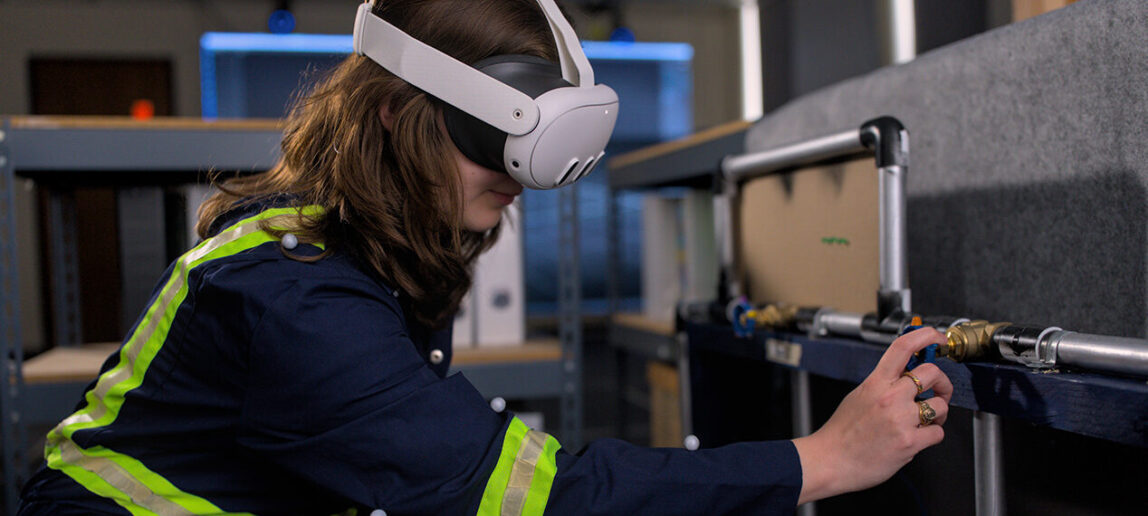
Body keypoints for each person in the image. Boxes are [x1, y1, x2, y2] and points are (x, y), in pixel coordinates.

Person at [18, 0, 953, 514]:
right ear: (396, 118)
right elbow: (530, 495)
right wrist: (818, 460)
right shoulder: (298, 302)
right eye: (490, 145)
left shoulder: (361, 245)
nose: (518, 182)